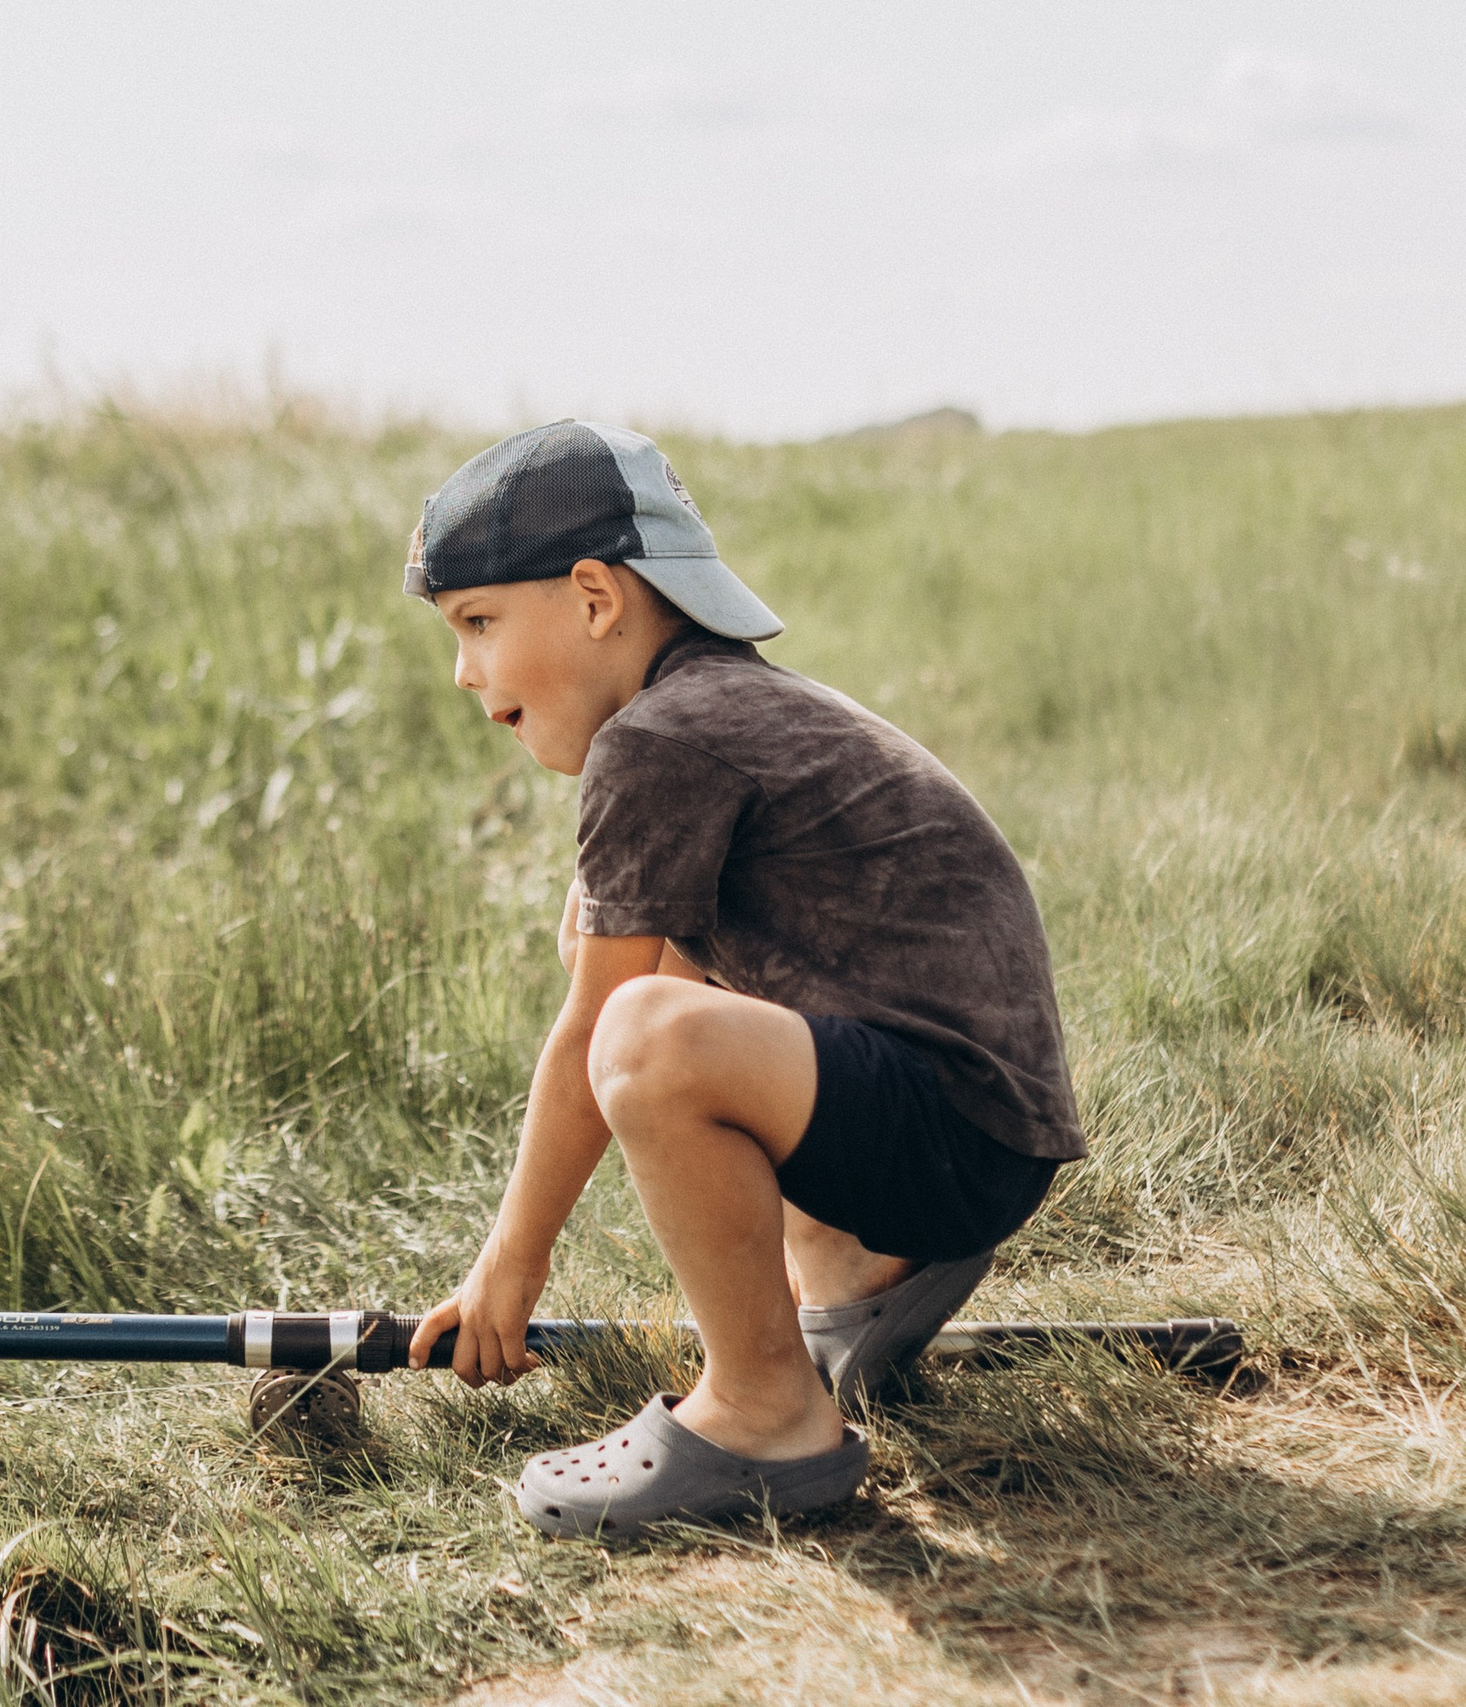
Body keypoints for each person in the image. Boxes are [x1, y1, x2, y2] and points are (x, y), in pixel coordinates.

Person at [399, 421, 1083, 1541]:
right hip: (968, 1129)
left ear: (593, 597)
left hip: (950, 1131)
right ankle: (851, 1283)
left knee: (640, 1030)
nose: (464, 671)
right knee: (616, 945)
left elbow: (592, 1041)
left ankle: (767, 1412)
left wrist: (510, 1263)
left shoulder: (663, 738)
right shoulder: (721, 704)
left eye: (477, 623)